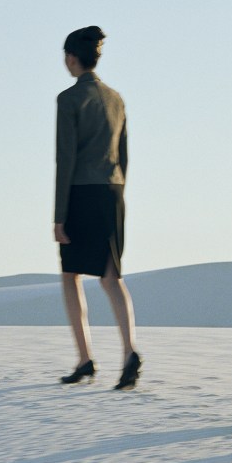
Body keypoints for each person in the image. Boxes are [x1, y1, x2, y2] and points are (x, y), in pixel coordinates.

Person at [54, 25, 142, 391]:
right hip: (113, 192)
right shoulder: (116, 98)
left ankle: (85, 358)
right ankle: (130, 351)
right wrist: (117, 192)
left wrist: (59, 216)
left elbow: (65, 159)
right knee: (111, 276)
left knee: (71, 276)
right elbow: (125, 155)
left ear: (72, 59)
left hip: (80, 193)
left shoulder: (69, 99)